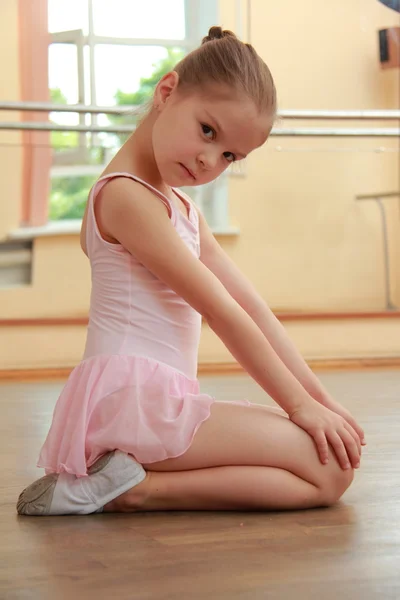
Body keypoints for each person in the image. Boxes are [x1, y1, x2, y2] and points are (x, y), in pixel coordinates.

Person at [17, 26, 365, 517]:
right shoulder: (125, 197)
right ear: (166, 92)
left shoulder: (179, 208)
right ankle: (133, 490)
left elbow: (253, 309)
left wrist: (322, 400)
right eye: (207, 131)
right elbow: (221, 312)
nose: (209, 160)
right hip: (131, 403)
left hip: (155, 404)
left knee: (331, 466)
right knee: (330, 471)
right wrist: (299, 407)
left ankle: (124, 480)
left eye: (229, 156)